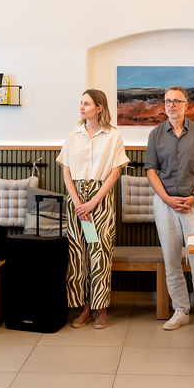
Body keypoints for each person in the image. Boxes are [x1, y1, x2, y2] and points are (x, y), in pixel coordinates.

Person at [145, 85, 194, 339]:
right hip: (165, 205)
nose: (171, 105)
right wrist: (165, 199)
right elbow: (151, 171)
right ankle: (181, 310)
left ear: (187, 105)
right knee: (172, 260)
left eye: (176, 101)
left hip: (193, 204)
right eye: (167, 101)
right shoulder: (155, 134)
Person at [57, 90, 128, 330]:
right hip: (77, 202)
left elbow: (115, 173)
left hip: (100, 201)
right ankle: (84, 308)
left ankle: (101, 310)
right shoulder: (73, 135)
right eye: (81, 103)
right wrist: (78, 203)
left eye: (86, 103)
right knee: (78, 255)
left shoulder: (113, 135)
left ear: (99, 108)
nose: (81, 107)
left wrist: (93, 202)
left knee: (99, 254)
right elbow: (66, 171)